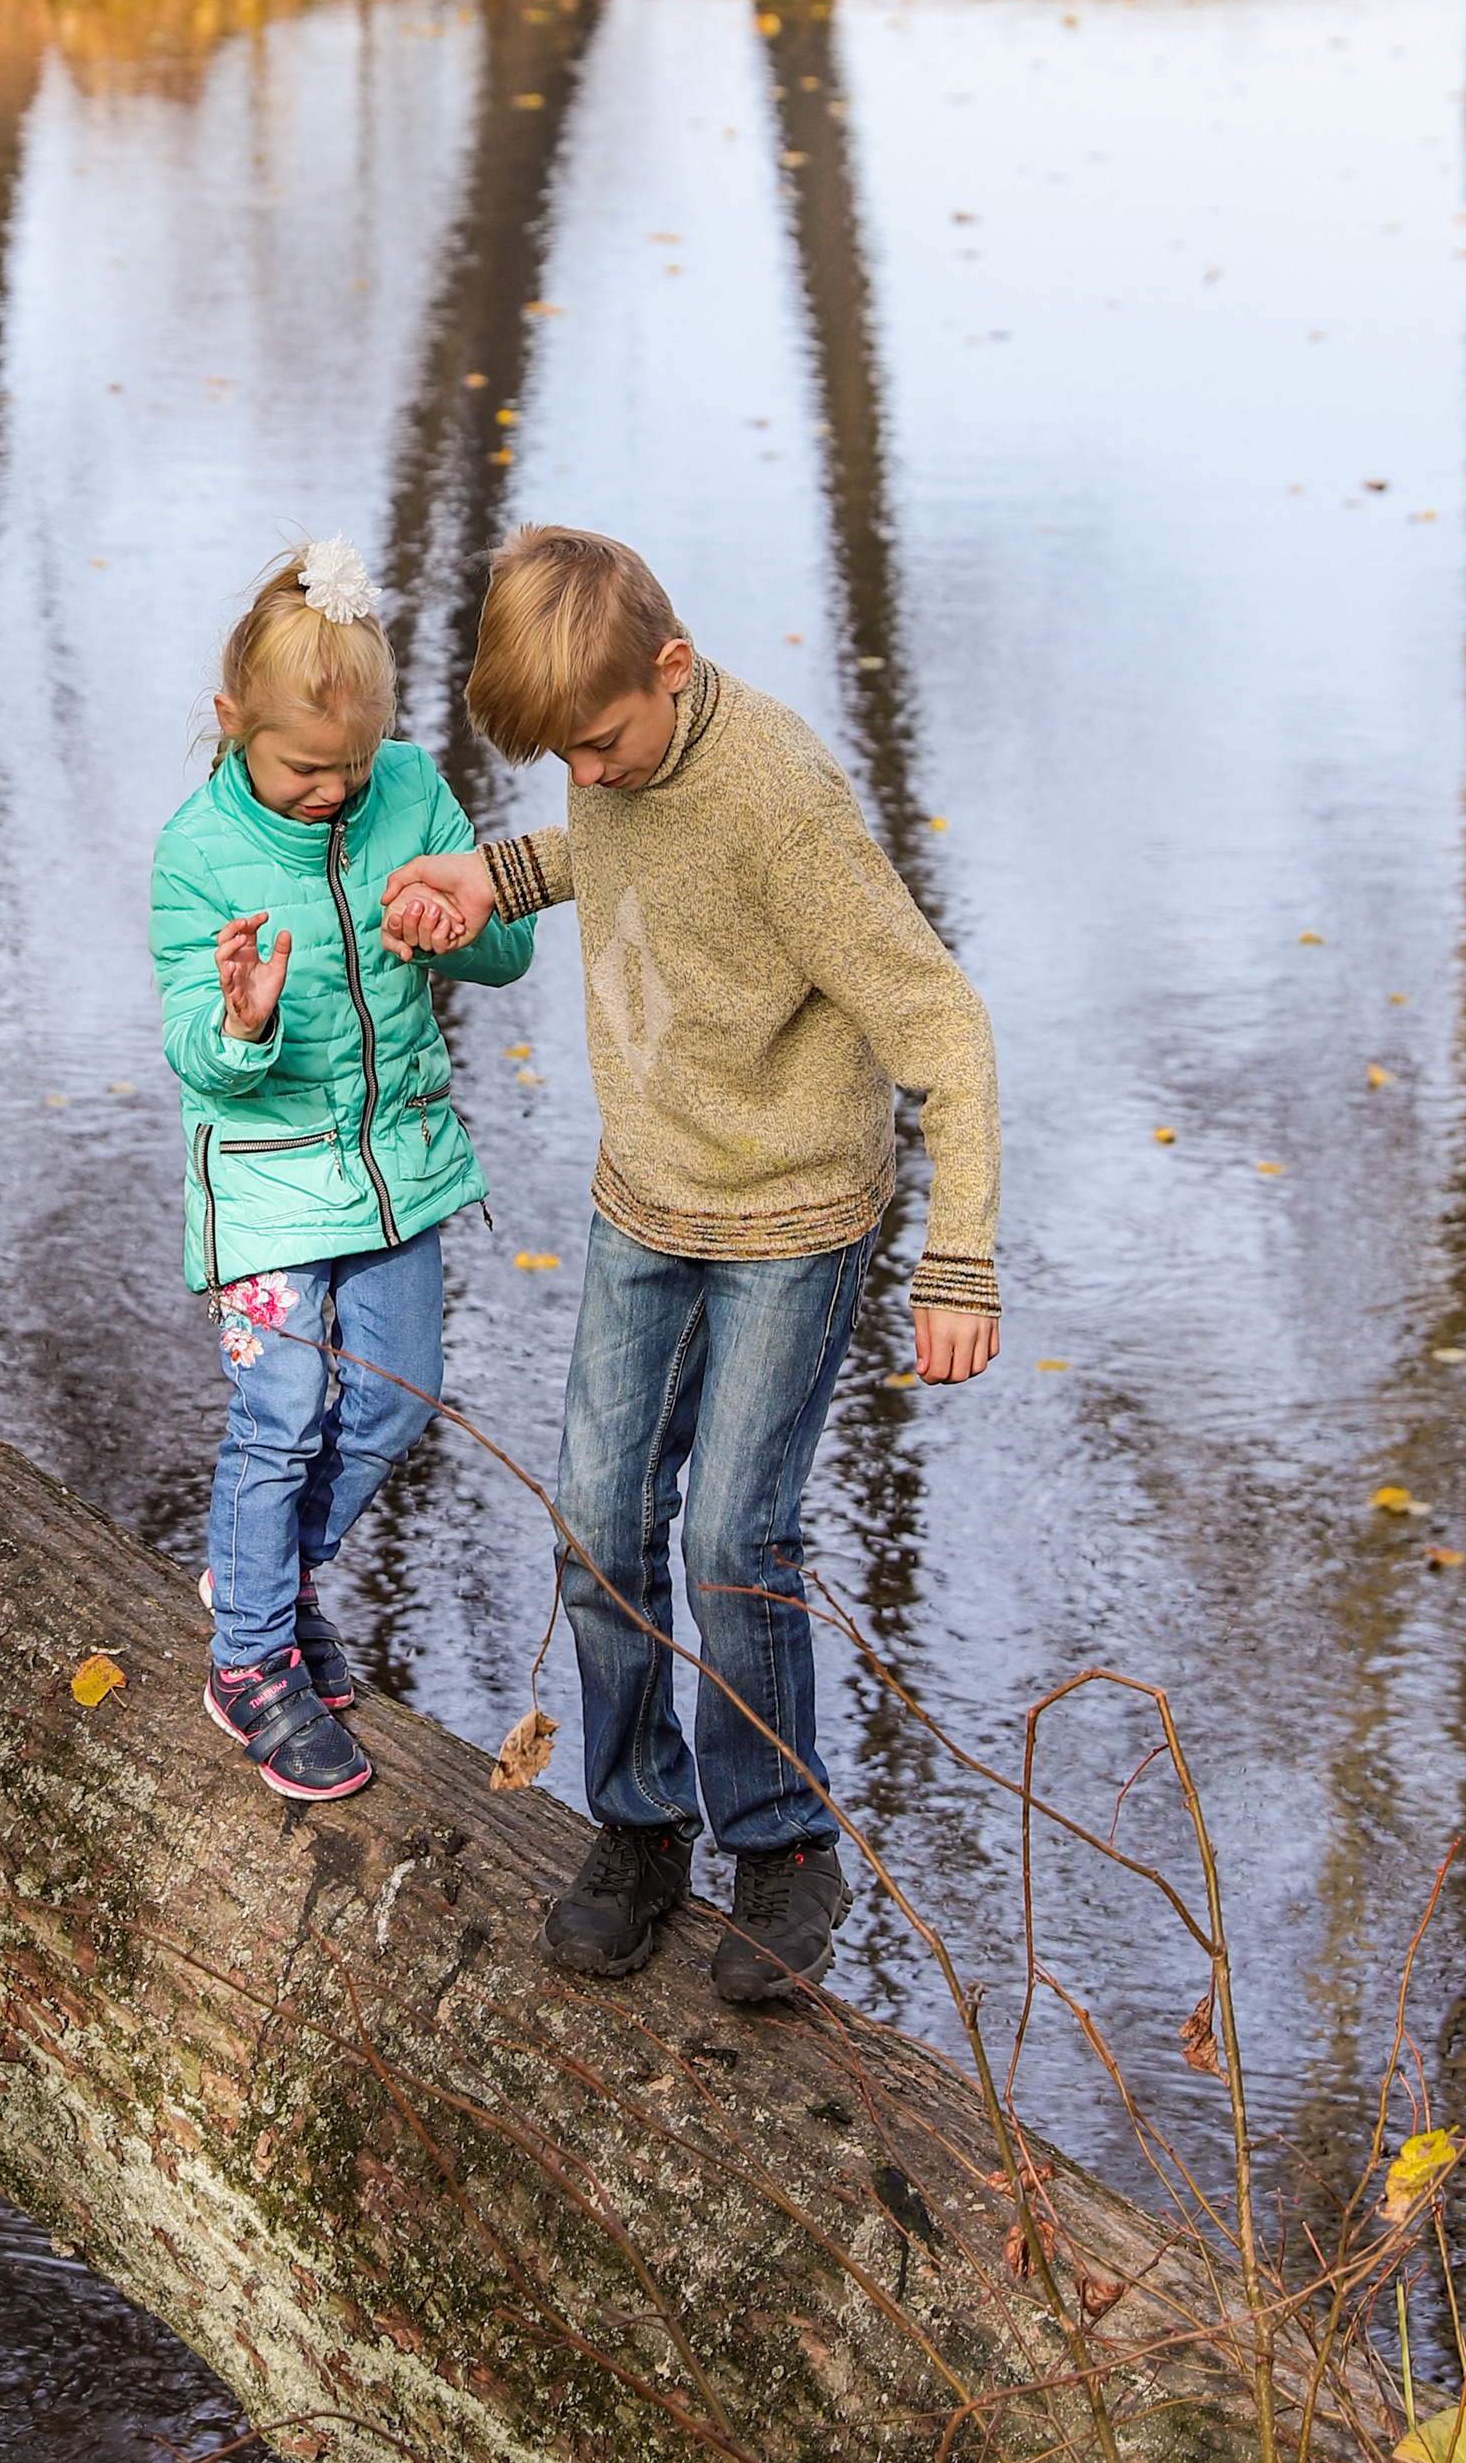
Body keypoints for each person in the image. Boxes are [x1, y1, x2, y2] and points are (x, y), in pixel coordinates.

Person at [379, 527, 1000, 2002]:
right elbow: (617, 853)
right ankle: (641, 1823)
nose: (585, 773)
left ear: (673, 666)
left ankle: (782, 1846)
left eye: (599, 743)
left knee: (730, 1537)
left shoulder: (778, 795)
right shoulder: (619, 766)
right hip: (645, 1199)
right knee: (597, 1522)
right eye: (563, 760)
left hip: (793, 1212)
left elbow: (948, 1029)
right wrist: (496, 879)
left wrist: (959, 1258)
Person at [151, 536, 533, 1803]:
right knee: (281, 1414)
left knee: (396, 1400)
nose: (333, 792)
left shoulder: (411, 794)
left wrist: (457, 920)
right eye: (307, 768)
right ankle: (250, 1659)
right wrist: (244, 1021)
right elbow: (194, 1056)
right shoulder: (196, 854)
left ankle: (263, 1568)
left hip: (401, 1168)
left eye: (353, 766)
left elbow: (505, 956)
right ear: (230, 724)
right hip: (264, 1184)